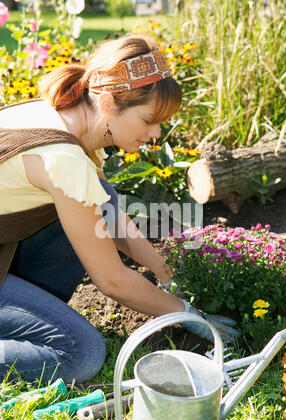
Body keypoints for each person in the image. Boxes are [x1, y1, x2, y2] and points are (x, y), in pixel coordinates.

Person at [0, 33, 237, 385]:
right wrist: (188, 315)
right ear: (109, 102)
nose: (155, 133)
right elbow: (111, 280)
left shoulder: (60, 114)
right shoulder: (63, 159)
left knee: (98, 193)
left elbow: (106, 210)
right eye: (148, 120)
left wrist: (168, 274)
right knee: (81, 353)